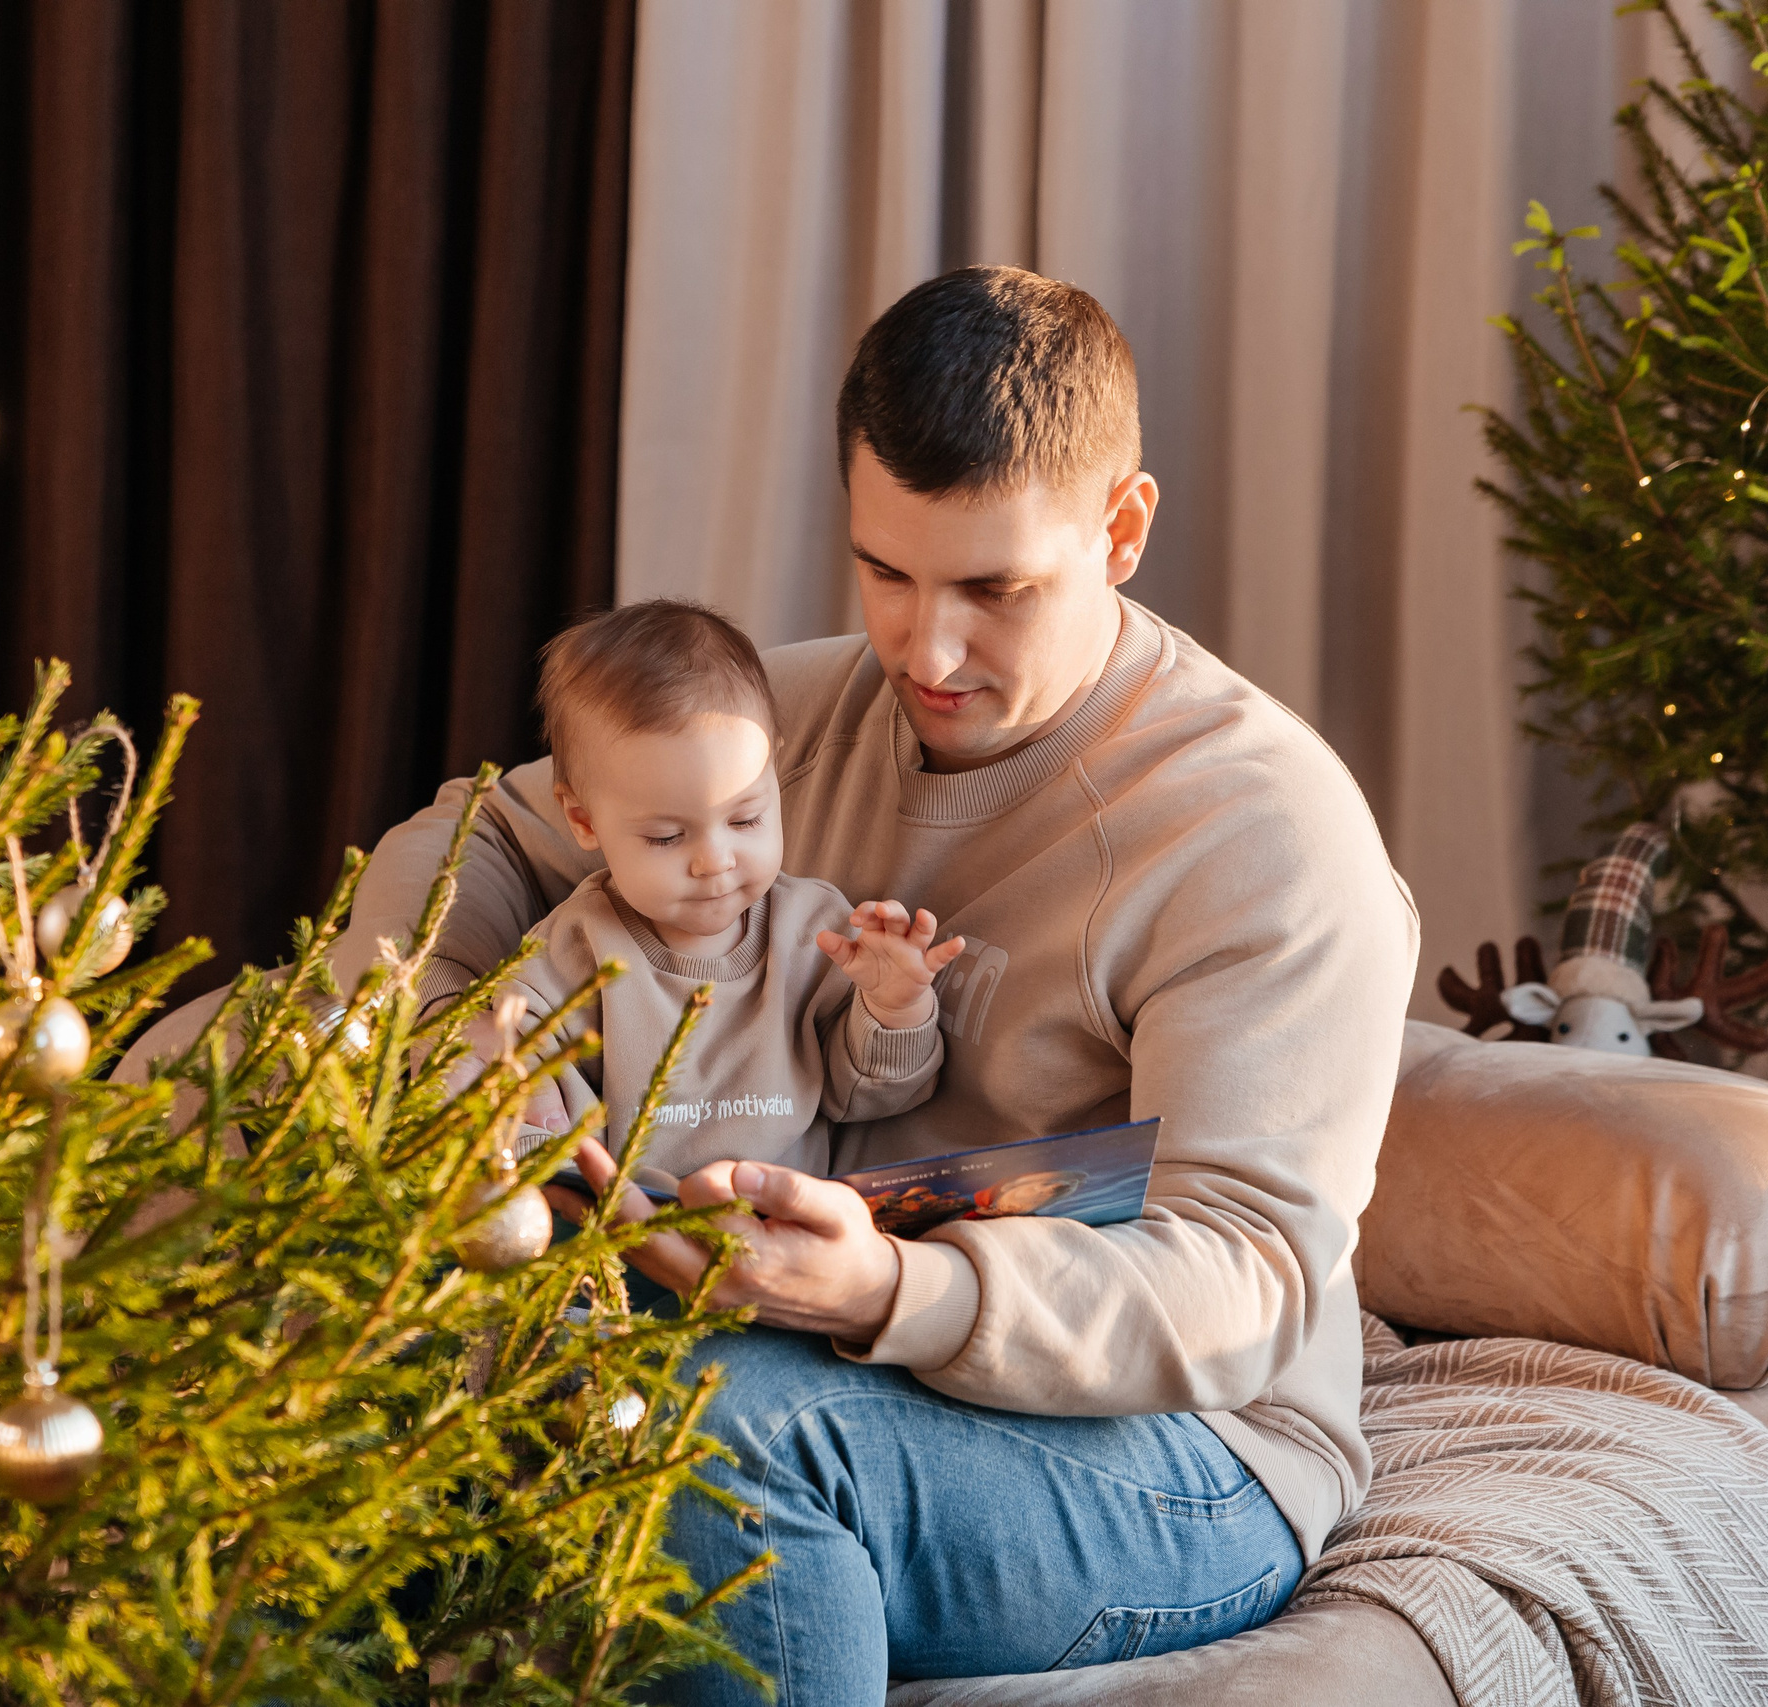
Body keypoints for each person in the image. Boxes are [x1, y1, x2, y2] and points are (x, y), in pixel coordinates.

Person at [335, 266, 1417, 1702]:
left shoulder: (1266, 828)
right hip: (790, 1320)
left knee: (692, 1427)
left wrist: (897, 1284)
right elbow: (465, 834)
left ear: (1125, 527)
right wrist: (440, 1045)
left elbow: (1248, 1277)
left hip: (1188, 1452)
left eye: (996, 587)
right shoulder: (798, 713)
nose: (927, 649)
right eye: (886, 573)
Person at [483, 597, 965, 1181]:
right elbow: (517, 1108)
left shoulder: (817, 931)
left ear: (774, 778)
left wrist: (894, 1007)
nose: (715, 862)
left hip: (787, 1242)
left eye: (745, 820)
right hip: (628, 1242)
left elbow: (866, 1095)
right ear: (583, 820)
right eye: (666, 837)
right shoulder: (572, 955)